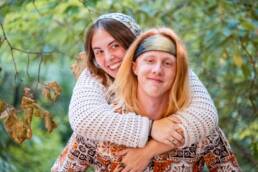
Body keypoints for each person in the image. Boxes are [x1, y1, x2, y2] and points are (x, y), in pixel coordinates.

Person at [52, 28, 240, 172]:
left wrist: (148, 151)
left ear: (178, 73)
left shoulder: (199, 129)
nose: (157, 70)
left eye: (167, 63)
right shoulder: (99, 128)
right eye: (149, 61)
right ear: (134, 67)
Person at [68, 13, 218, 148]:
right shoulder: (95, 73)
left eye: (115, 46)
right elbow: (83, 119)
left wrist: (149, 151)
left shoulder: (165, 66)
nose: (108, 57)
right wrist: (151, 128)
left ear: (135, 44)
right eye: (99, 51)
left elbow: (206, 115)